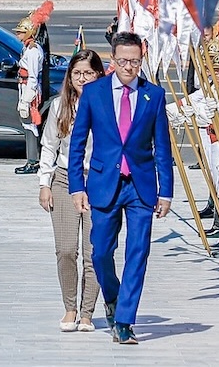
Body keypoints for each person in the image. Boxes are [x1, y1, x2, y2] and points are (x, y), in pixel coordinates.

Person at [67, 31, 173, 345]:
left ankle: (125, 320)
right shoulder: (94, 93)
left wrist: (165, 190)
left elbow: (162, 148)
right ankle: (112, 298)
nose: (129, 67)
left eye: (135, 62)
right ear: (113, 60)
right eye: (123, 61)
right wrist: (77, 186)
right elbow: (78, 143)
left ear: (142, 61)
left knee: (138, 252)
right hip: (103, 184)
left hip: (140, 186)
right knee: (100, 252)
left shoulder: (153, 96)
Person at [36, 50, 104, 333]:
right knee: (66, 250)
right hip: (64, 180)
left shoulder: (107, 105)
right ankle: (70, 308)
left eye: (88, 73)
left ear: (99, 75)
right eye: (77, 73)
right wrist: (44, 183)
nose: (82, 78)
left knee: (95, 252)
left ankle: (87, 313)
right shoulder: (60, 106)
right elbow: (50, 145)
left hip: (98, 183)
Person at [12, 1, 51, 175]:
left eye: (20, 32)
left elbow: (34, 77)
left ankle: (33, 161)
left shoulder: (34, 51)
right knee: (27, 124)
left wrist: (26, 99)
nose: (18, 34)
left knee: (30, 125)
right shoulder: (28, 48)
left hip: (30, 89)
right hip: (25, 86)